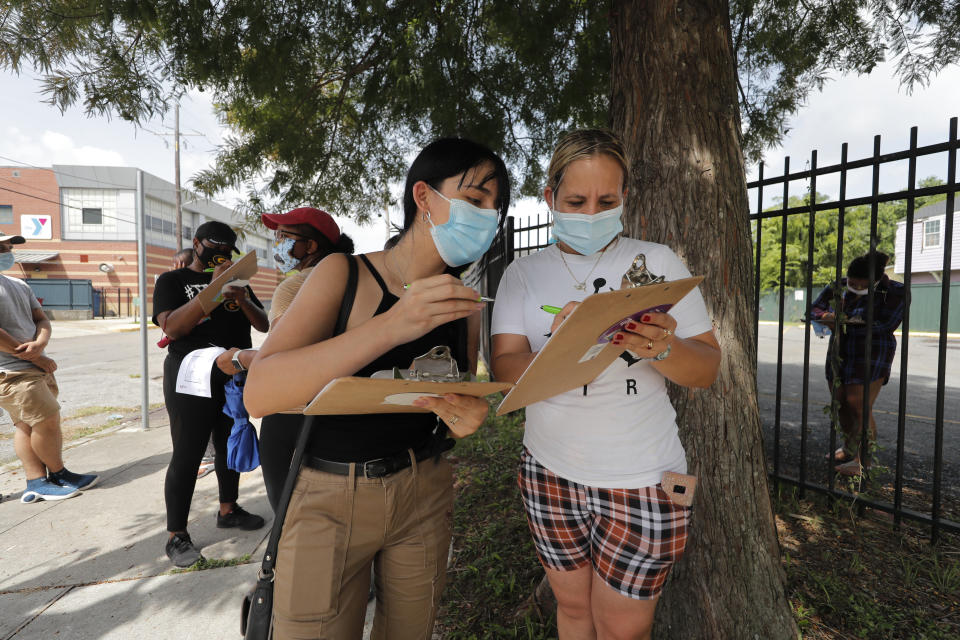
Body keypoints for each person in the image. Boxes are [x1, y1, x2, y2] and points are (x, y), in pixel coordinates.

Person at [244, 137, 510, 640]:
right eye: (475, 200)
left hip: (424, 491)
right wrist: (394, 324)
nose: (486, 217)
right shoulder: (343, 274)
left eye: (495, 209)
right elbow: (261, 392)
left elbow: (456, 406)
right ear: (424, 197)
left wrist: (468, 419)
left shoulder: (464, 304)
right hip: (327, 496)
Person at [490, 129, 721, 640]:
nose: (591, 213)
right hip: (549, 473)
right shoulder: (523, 274)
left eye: (606, 200)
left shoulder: (657, 262)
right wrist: (564, 340)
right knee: (572, 611)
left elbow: (706, 370)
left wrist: (662, 345)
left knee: (624, 629)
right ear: (550, 198)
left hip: (643, 478)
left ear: (624, 200)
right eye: (575, 200)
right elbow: (505, 372)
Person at [216, 206, 355, 511]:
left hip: (295, 412)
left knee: (290, 516)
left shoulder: (293, 286)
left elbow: (279, 358)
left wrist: (238, 358)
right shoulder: (357, 280)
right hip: (349, 407)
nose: (277, 242)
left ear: (311, 246)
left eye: (284, 236)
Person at [152, 221, 270, 567]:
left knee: (229, 441)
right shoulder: (172, 281)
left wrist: (243, 298)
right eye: (213, 246)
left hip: (231, 371)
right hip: (190, 374)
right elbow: (171, 326)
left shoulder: (237, 279)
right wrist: (214, 291)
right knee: (188, 452)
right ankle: (177, 535)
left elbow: (262, 324)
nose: (220, 254)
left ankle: (228, 508)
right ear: (197, 243)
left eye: (226, 249)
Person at [0, 234, 99, 503]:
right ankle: (48, 477)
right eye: (2, 247)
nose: (8, 251)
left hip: (34, 366)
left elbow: (41, 319)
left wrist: (41, 342)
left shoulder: (18, 284)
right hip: (11, 370)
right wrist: (34, 356)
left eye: (8, 247)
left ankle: (45, 479)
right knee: (46, 420)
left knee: (29, 425)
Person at [808, 251, 905, 476]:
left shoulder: (896, 292)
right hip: (841, 350)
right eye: (852, 283)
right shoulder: (839, 286)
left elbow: (886, 324)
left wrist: (848, 323)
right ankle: (848, 447)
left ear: (877, 280)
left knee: (858, 404)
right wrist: (825, 317)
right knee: (840, 401)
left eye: (862, 286)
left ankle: (863, 461)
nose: (855, 288)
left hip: (872, 352)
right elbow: (814, 308)